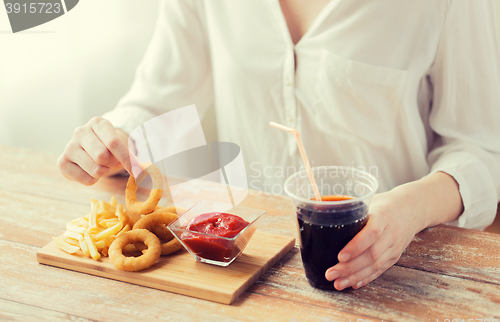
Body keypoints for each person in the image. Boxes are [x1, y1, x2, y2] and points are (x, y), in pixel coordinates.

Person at [57, 0, 500, 291]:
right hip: (246, 266)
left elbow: (482, 150)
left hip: (397, 268)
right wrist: (112, 143)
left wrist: (408, 210)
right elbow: (157, 100)